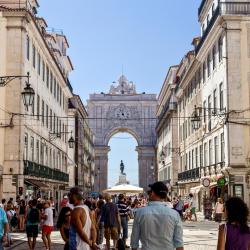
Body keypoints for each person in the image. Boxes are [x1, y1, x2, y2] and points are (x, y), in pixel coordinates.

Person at [131, 181, 183, 250]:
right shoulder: (174, 214)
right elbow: (179, 243)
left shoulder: (140, 213)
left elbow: (134, 240)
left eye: (149, 192)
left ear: (152, 193)